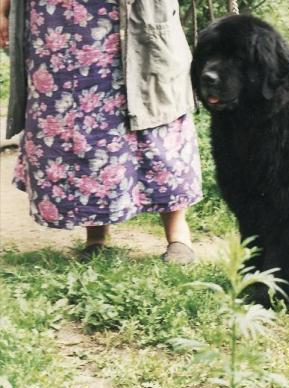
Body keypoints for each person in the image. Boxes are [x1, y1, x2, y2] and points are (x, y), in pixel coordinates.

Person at [1, 0, 203, 263]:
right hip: (56, 22)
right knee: (77, 122)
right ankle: (95, 235)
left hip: (134, 15)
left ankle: (178, 236)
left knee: (152, 109)